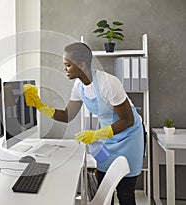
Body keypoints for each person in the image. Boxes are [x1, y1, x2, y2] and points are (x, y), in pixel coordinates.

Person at [23, 42, 144, 205]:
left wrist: (96, 134)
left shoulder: (108, 83)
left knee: (125, 193)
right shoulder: (79, 86)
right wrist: (40, 106)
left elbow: (128, 120)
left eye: (67, 65)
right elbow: (67, 115)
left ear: (82, 64)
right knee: (102, 186)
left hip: (129, 137)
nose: (64, 69)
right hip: (109, 137)